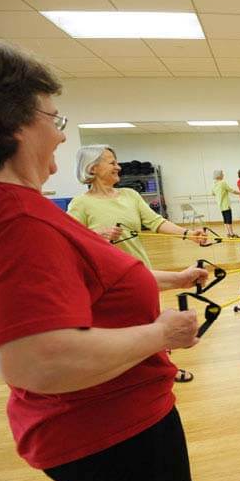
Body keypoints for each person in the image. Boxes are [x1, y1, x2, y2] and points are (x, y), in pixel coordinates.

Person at [0, 38, 205, 481]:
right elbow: (36, 360)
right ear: (9, 122)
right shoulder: (15, 217)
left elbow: (84, 283)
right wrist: (160, 333)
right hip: (110, 429)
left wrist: (172, 279)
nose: (63, 137)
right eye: (54, 119)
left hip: (90, 424)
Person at [69, 145, 206, 384]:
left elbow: (156, 222)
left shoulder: (130, 196)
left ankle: (165, 369)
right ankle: (127, 373)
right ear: (92, 168)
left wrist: (187, 234)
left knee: (152, 322)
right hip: (108, 280)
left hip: (141, 272)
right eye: (111, 162)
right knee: (123, 329)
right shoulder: (80, 204)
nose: (118, 166)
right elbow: (70, 242)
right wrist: (97, 235)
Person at [211, 169, 240, 238]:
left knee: (225, 219)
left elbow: (212, 193)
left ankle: (228, 233)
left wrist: (219, 194)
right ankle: (232, 234)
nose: (223, 175)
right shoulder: (222, 183)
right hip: (226, 204)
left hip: (220, 205)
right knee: (229, 219)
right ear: (219, 175)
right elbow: (232, 191)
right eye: (222, 174)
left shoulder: (214, 184)